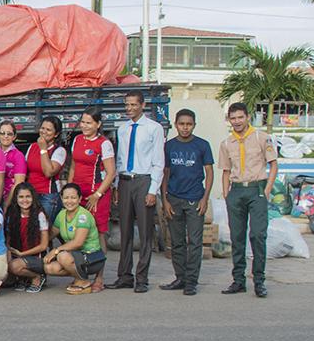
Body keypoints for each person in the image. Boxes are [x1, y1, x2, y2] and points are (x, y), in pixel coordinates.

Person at [219, 101, 279, 298]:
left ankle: (259, 281)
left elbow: (273, 165)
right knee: (237, 237)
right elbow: (226, 171)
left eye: (240, 117)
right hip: (236, 191)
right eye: (233, 118)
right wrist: (227, 194)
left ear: (247, 117)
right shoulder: (227, 143)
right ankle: (238, 280)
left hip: (256, 190)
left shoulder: (261, 138)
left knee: (258, 235)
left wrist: (267, 190)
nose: (237, 121)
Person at [110, 91, 165, 293]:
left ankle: (142, 278)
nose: (130, 108)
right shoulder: (123, 129)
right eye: (127, 105)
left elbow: (159, 162)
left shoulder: (154, 129)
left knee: (144, 232)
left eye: (133, 104)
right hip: (125, 181)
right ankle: (124, 275)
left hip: (144, 181)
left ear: (142, 105)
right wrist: (116, 184)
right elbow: (120, 159)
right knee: (125, 231)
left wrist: (153, 190)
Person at [161, 109, 215, 296]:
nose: (185, 127)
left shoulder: (202, 145)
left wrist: (205, 198)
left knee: (194, 242)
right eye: (182, 124)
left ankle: (191, 281)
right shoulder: (169, 146)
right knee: (176, 242)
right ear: (176, 124)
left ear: (194, 125)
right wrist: (165, 200)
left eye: (189, 124)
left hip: (194, 199)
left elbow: (209, 172)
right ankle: (180, 277)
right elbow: (165, 173)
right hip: (174, 199)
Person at [67, 107, 116, 251]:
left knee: (98, 232)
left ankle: (99, 273)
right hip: (78, 194)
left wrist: (97, 195)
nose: (84, 126)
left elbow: (111, 173)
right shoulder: (77, 139)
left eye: (89, 123)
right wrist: (69, 191)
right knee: (77, 231)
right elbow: (73, 167)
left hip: (95, 195)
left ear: (98, 124)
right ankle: (80, 269)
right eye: (82, 122)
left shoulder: (104, 143)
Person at [45, 183, 106, 294]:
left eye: (73, 198)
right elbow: (51, 234)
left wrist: (56, 250)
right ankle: (78, 277)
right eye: (66, 198)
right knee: (49, 268)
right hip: (76, 256)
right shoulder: (62, 214)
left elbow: (78, 242)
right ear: (61, 199)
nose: (69, 201)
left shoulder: (83, 216)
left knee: (62, 256)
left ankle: (83, 281)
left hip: (92, 258)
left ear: (79, 199)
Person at [5, 182, 51, 293]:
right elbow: (9, 237)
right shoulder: (12, 213)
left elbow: (44, 245)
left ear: (33, 197)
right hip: (17, 254)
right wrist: (8, 250)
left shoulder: (40, 215)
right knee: (4, 266)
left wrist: (22, 254)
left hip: (36, 257)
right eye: (21, 197)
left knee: (13, 267)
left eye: (28, 196)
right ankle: (23, 278)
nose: (24, 200)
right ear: (16, 198)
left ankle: (37, 277)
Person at [25, 115, 67, 224]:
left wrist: (43, 149)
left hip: (47, 196)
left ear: (56, 134)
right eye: (42, 128)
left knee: (45, 229)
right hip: (31, 194)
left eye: (48, 130)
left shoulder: (59, 150)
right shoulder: (32, 147)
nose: (44, 132)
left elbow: (48, 172)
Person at [0, 120, 27, 208]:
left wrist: (6, 204)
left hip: (9, 199)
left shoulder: (18, 156)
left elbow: (19, 182)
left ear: (14, 136)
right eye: (2, 133)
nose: (5, 136)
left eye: (9, 134)